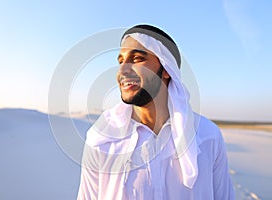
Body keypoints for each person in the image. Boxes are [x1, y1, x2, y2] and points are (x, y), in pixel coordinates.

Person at [77, 24, 235, 200]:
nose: (122, 70)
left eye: (136, 59)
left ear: (167, 69)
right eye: (120, 61)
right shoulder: (102, 139)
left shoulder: (208, 136)